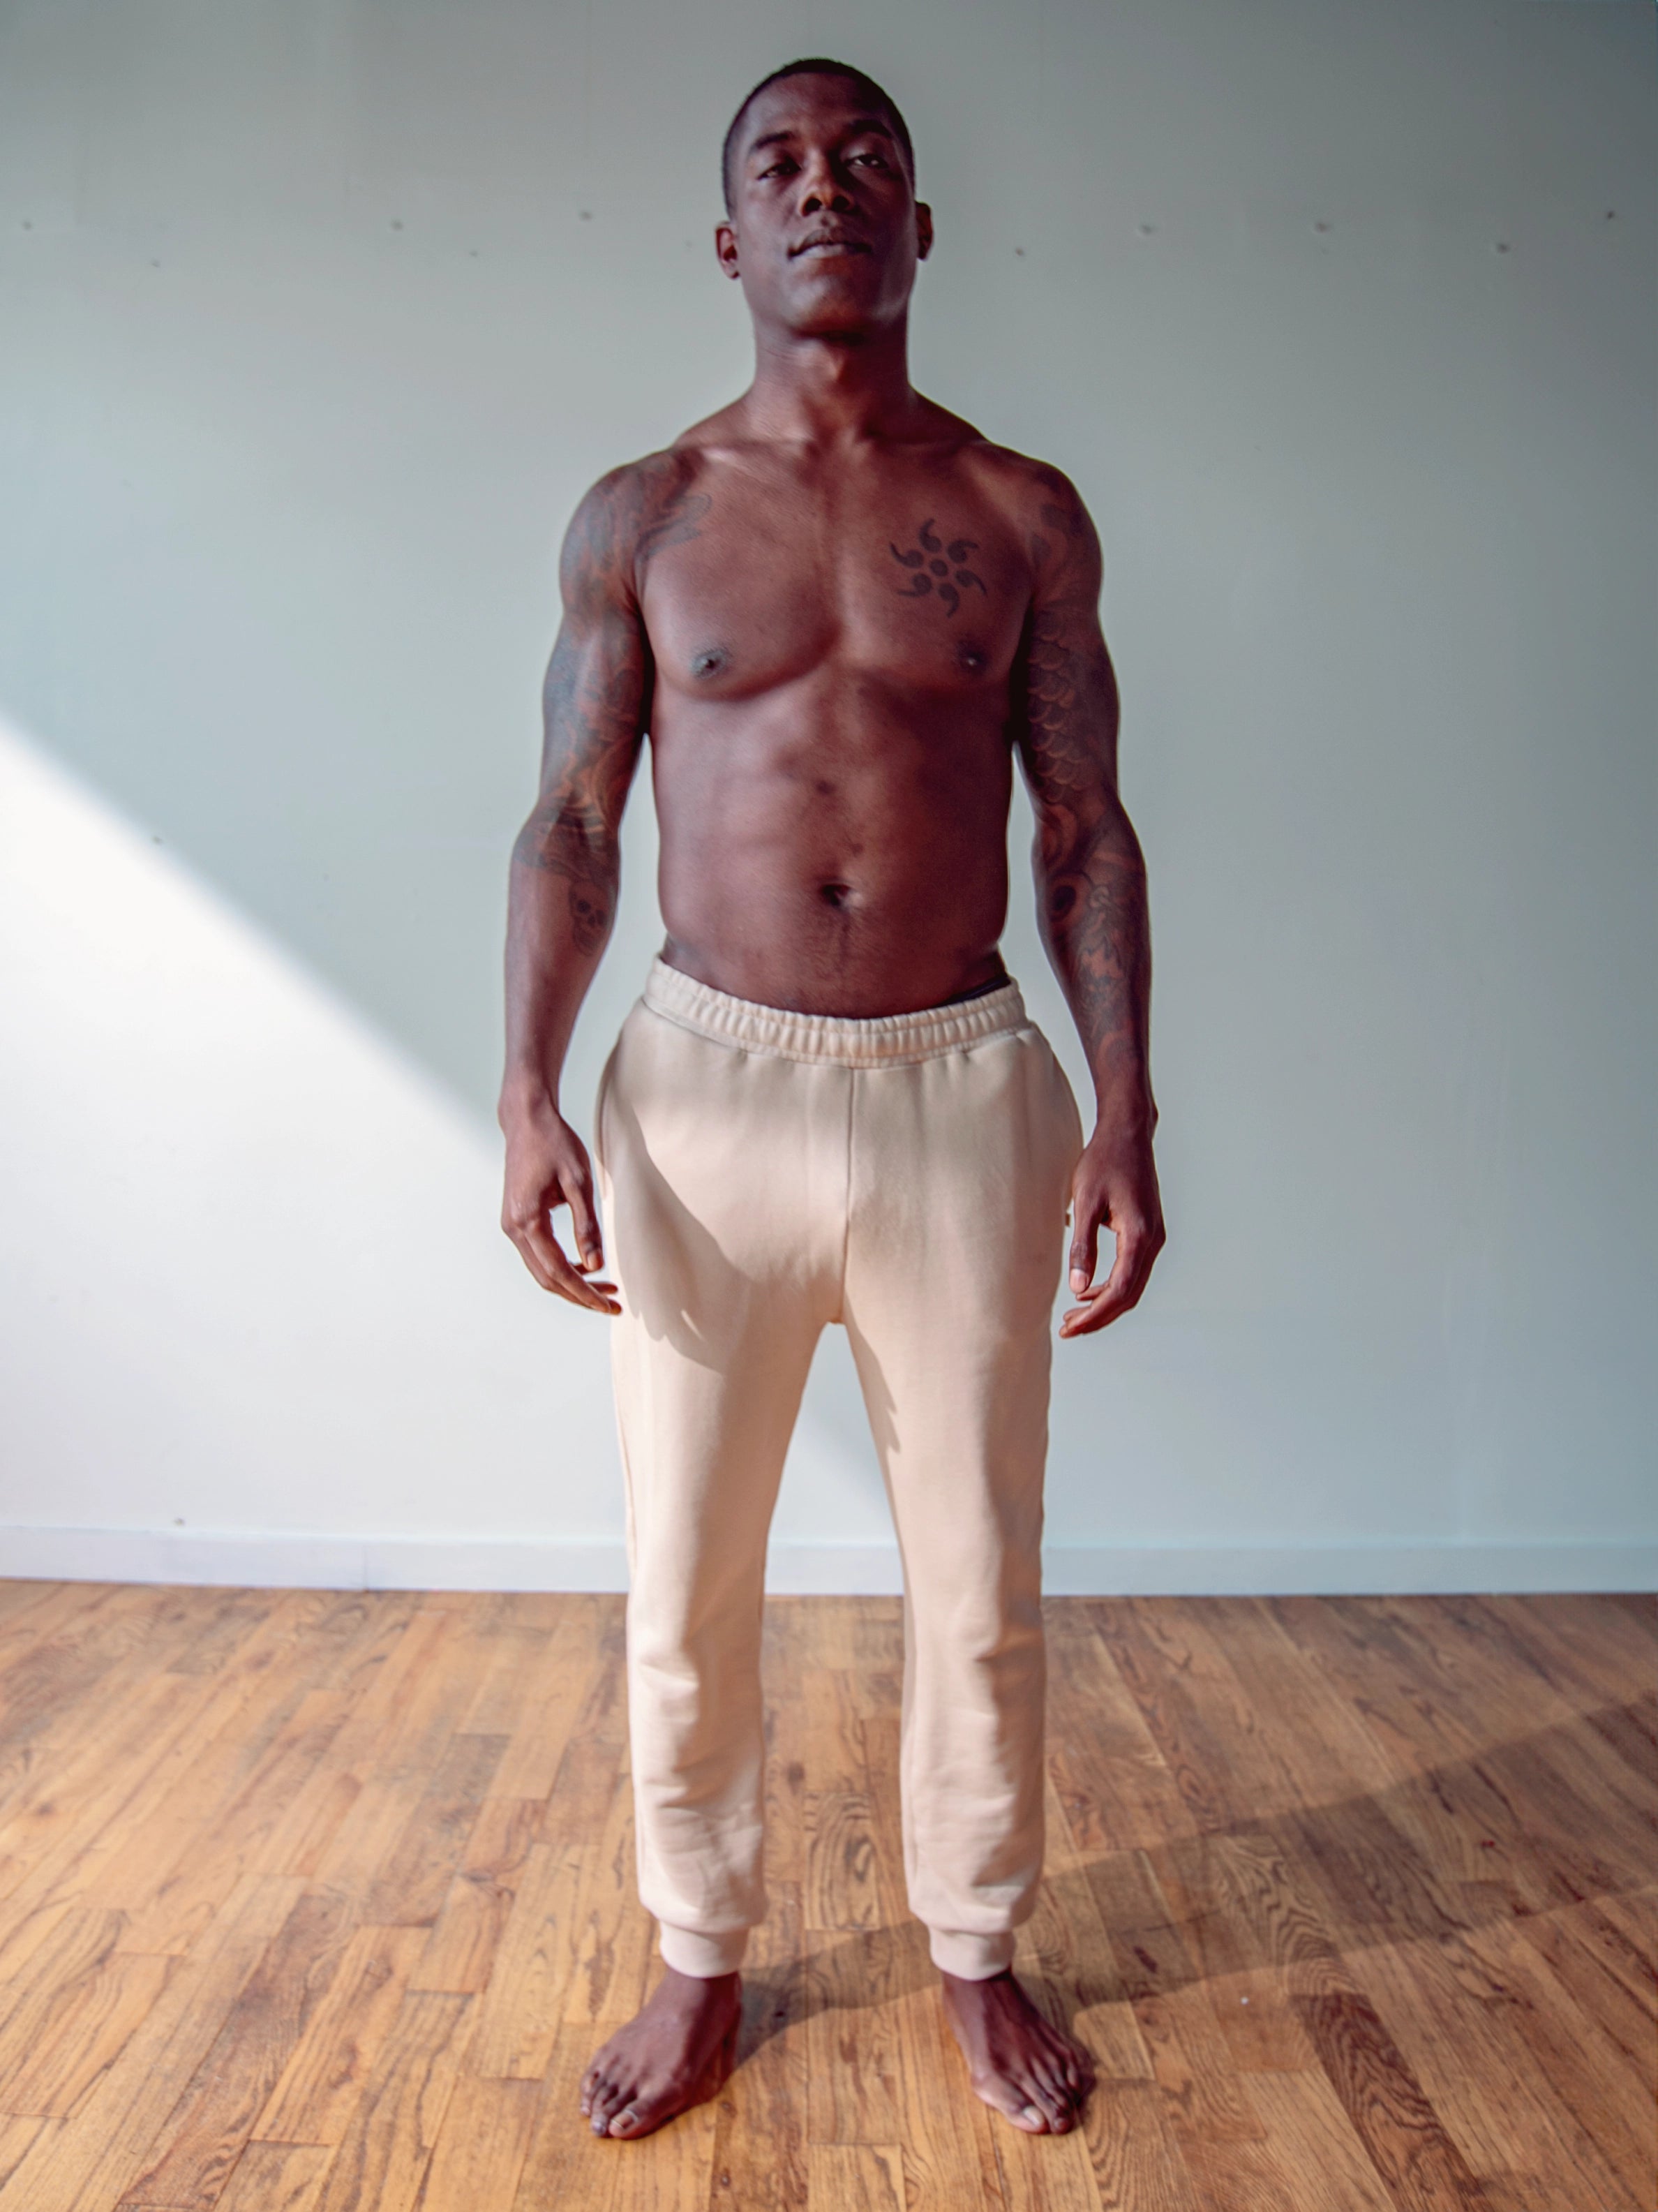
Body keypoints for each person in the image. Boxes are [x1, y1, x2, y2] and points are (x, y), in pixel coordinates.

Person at [498, 56, 1165, 2143]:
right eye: (781, 164)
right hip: (704, 1092)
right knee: (685, 1570)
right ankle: (699, 1950)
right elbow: (572, 821)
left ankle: (974, 1942)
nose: (826, 188)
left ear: (921, 223)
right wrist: (525, 1091)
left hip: (961, 1086)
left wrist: (1126, 1110)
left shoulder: (1020, 513)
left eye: (868, 159)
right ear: (730, 236)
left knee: (980, 1566)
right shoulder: (647, 515)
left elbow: (1086, 830)